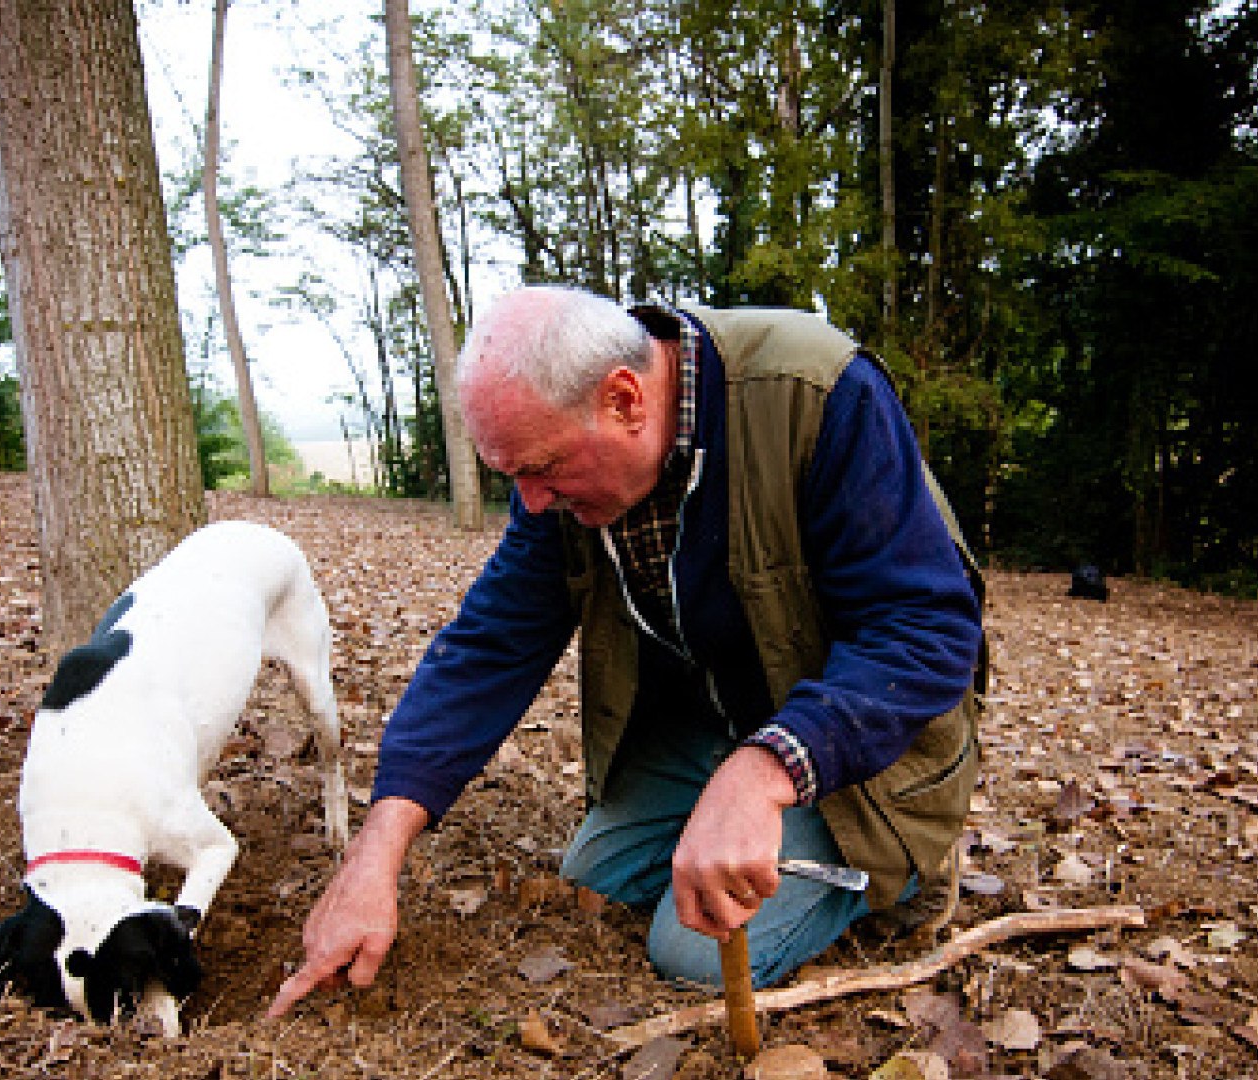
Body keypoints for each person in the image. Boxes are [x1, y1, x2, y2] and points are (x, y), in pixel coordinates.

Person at [266, 286, 984, 1016]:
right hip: (717, 718)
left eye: (541, 470)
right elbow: (490, 645)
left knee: (693, 951)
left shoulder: (815, 395)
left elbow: (926, 627)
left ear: (623, 400)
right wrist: (376, 853)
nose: (533, 502)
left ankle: (910, 872)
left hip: (861, 744)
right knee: (596, 876)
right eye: (515, 477)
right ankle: (735, 803)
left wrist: (766, 772)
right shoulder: (562, 469)